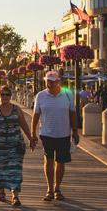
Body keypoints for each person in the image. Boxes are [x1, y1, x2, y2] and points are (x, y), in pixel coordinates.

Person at [0, 85, 33, 206]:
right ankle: (2, 191)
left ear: (10, 96)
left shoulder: (16, 109)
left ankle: (15, 195)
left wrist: (30, 138)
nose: (5, 97)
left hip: (15, 144)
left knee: (15, 169)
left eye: (7, 94)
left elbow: (24, 124)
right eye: (2, 94)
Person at [30, 71, 79, 202]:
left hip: (64, 133)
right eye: (48, 81)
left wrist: (75, 131)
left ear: (58, 82)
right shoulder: (40, 96)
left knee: (61, 162)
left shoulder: (68, 95)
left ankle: (57, 188)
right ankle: (49, 189)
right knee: (49, 160)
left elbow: (73, 113)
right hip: (47, 133)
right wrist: (33, 133)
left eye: (52, 81)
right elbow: (36, 115)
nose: (49, 84)